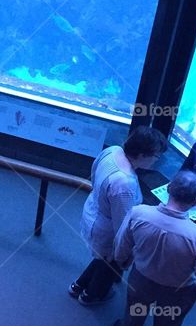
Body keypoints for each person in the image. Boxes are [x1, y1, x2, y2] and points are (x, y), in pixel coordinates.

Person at [112, 171, 196, 326]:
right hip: (177, 293)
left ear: (169, 189)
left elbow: (121, 247)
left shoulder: (138, 213)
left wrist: (124, 263)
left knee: (133, 317)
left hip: (141, 281)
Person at [70, 126, 167, 305]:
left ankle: (78, 285)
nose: (156, 161)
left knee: (101, 259)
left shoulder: (113, 150)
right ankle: (91, 296)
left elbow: (93, 173)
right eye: (156, 156)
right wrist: (123, 252)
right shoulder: (124, 183)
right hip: (108, 231)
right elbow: (122, 225)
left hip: (94, 211)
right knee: (110, 263)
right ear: (143, 154)